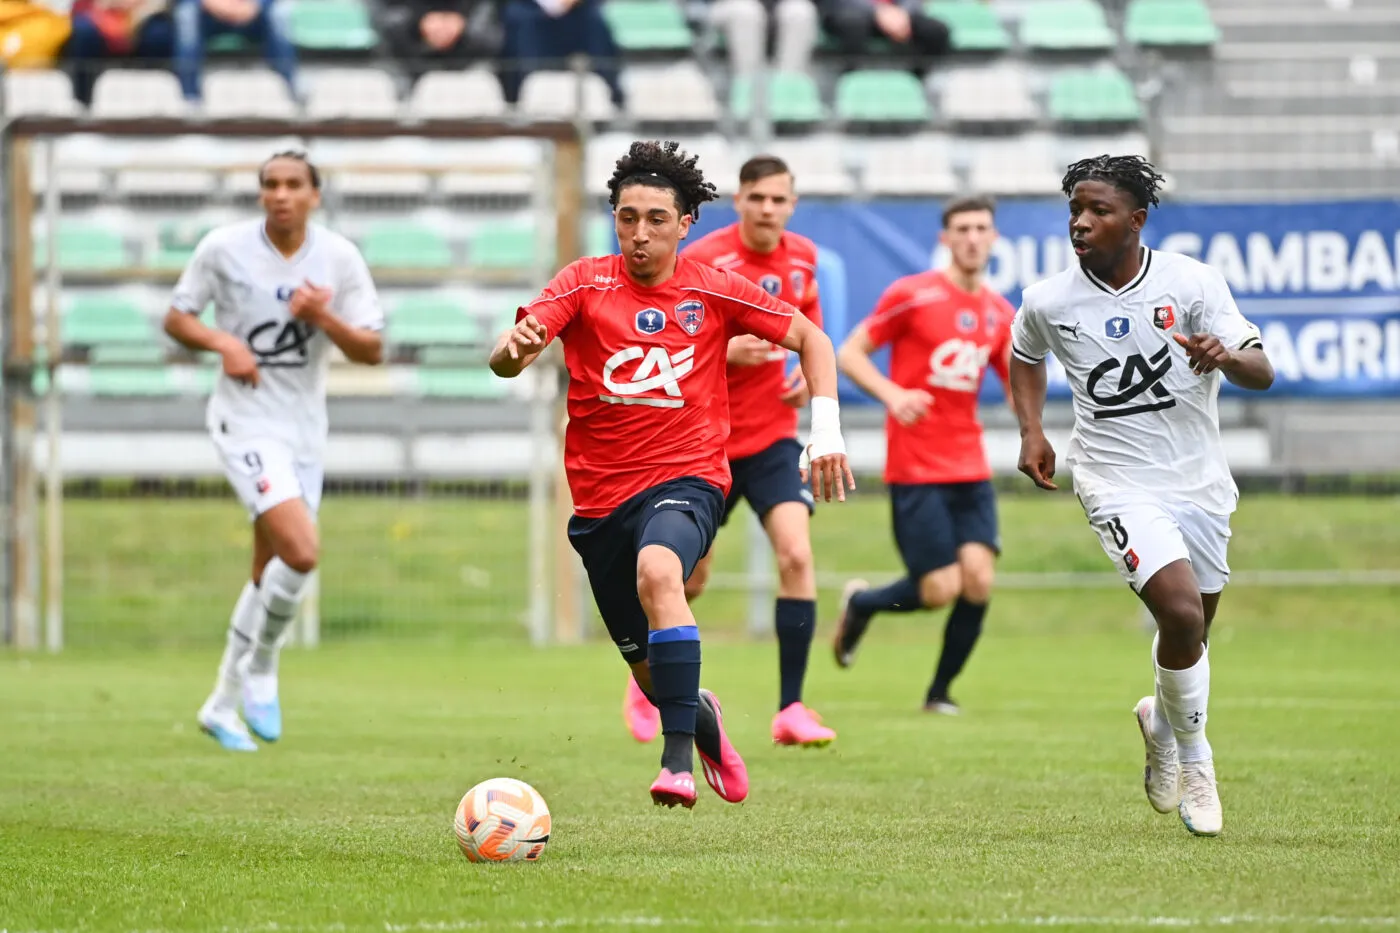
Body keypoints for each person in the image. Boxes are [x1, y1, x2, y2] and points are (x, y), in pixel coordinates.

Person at [490, 140, 854, 809]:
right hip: (600, 502)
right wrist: (512, 353)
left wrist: (825, 433)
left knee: (663, 571)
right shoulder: (584, 281)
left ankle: (678, 761)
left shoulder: (711, 285)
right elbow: (511, 352)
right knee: (653, 671)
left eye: (657, 218)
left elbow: (814, 339)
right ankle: (701, 717)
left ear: (686, 222)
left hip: (688, 477)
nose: (639, 233)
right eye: (627, 217)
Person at [1009, 155, 1275, 837]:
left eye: (1097, 211)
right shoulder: (1048, 299)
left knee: (1192, 634)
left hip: (1199, 481)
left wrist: (1225, 355)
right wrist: (1033, 430)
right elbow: (1024, 354)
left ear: (1137, 219)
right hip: (1114, 479)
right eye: (1075, 210)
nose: (1081, 222)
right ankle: (1198, 762)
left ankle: (1160, 720)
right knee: (1180, 613)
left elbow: (1261, 369)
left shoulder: (1192, 282)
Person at [163, 152, 385, 752]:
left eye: (293, 185)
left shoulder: (338, 258)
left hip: (304, 431)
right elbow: (177, 317)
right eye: (270, 185)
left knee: (269, 570)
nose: (280, 194)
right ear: (261, 194)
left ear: (315, 194)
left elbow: (372, 349)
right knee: (302, 551)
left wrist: (322, 315)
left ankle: (220, 704)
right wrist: (222, 344)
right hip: (244, 420)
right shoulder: (223, 248)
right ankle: (262, 668)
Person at [618, 154, 834, 749]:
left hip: (770, 439)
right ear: (738, 200)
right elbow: (666, 338)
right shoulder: (706, 258)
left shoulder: (804, 259)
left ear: (791, 204)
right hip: (703, 446)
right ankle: (647, 682)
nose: (767, 208)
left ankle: (791, 707)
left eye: (778, 199)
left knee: (795, 552)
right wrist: (724, 351)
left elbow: (806, 327)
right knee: (688, 580)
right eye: (757, 197)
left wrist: (800, 372)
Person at [832, 195, 1013, 714]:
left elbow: (1018, 376)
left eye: (982, 228)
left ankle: (939, 695)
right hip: (916, 467)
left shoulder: (1000, 311)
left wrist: (1033, 426)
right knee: (938, 590)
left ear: (993, 237)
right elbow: (849, 352)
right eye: (963, 228)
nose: (973, 237)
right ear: (946, 238)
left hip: (970, 466)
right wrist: (893, 395)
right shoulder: (912, 295)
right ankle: (862, 603)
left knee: (978, 579)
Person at [172, 0, 299, 103]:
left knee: (278, 14)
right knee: (186, 13)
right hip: (208, 15)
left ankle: (292, 88)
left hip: (251, 15)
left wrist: (257, 4)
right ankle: (190, 97)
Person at [375, 0, 502, 84]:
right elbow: (386, 22)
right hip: (409, 64)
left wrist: (463, 26)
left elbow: (493, 37)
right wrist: (418, 21)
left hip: (467, 63)